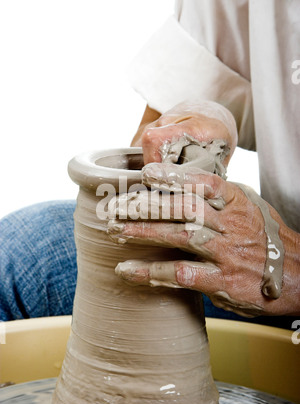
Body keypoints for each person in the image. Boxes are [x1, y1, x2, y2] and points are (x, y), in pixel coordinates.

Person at [0, 0, 299, 328]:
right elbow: (153, 140)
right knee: (20, 254)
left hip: (281, 283)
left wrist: (288, 269)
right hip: (264, 274)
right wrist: (202, 118)